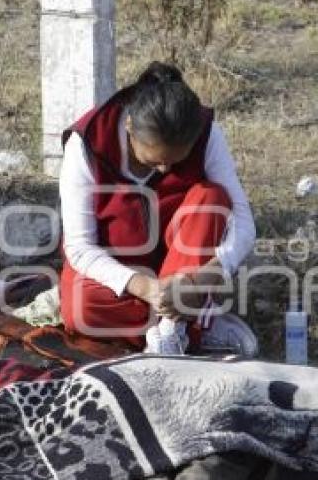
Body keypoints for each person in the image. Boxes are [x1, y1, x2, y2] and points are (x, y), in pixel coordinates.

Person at [59, 61, 257, 355]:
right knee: (81, 312)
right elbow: (79, 247)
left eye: (176, 162)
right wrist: (145, 288)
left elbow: (244, 221)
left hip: (185, 266)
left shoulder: (206, 132)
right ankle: (199, 324)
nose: (165, 169)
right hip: (124, 272)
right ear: (129, 127)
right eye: (154, 162)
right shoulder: (88, 144)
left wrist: (207, 276)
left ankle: (172, 333)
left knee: (211, 197)